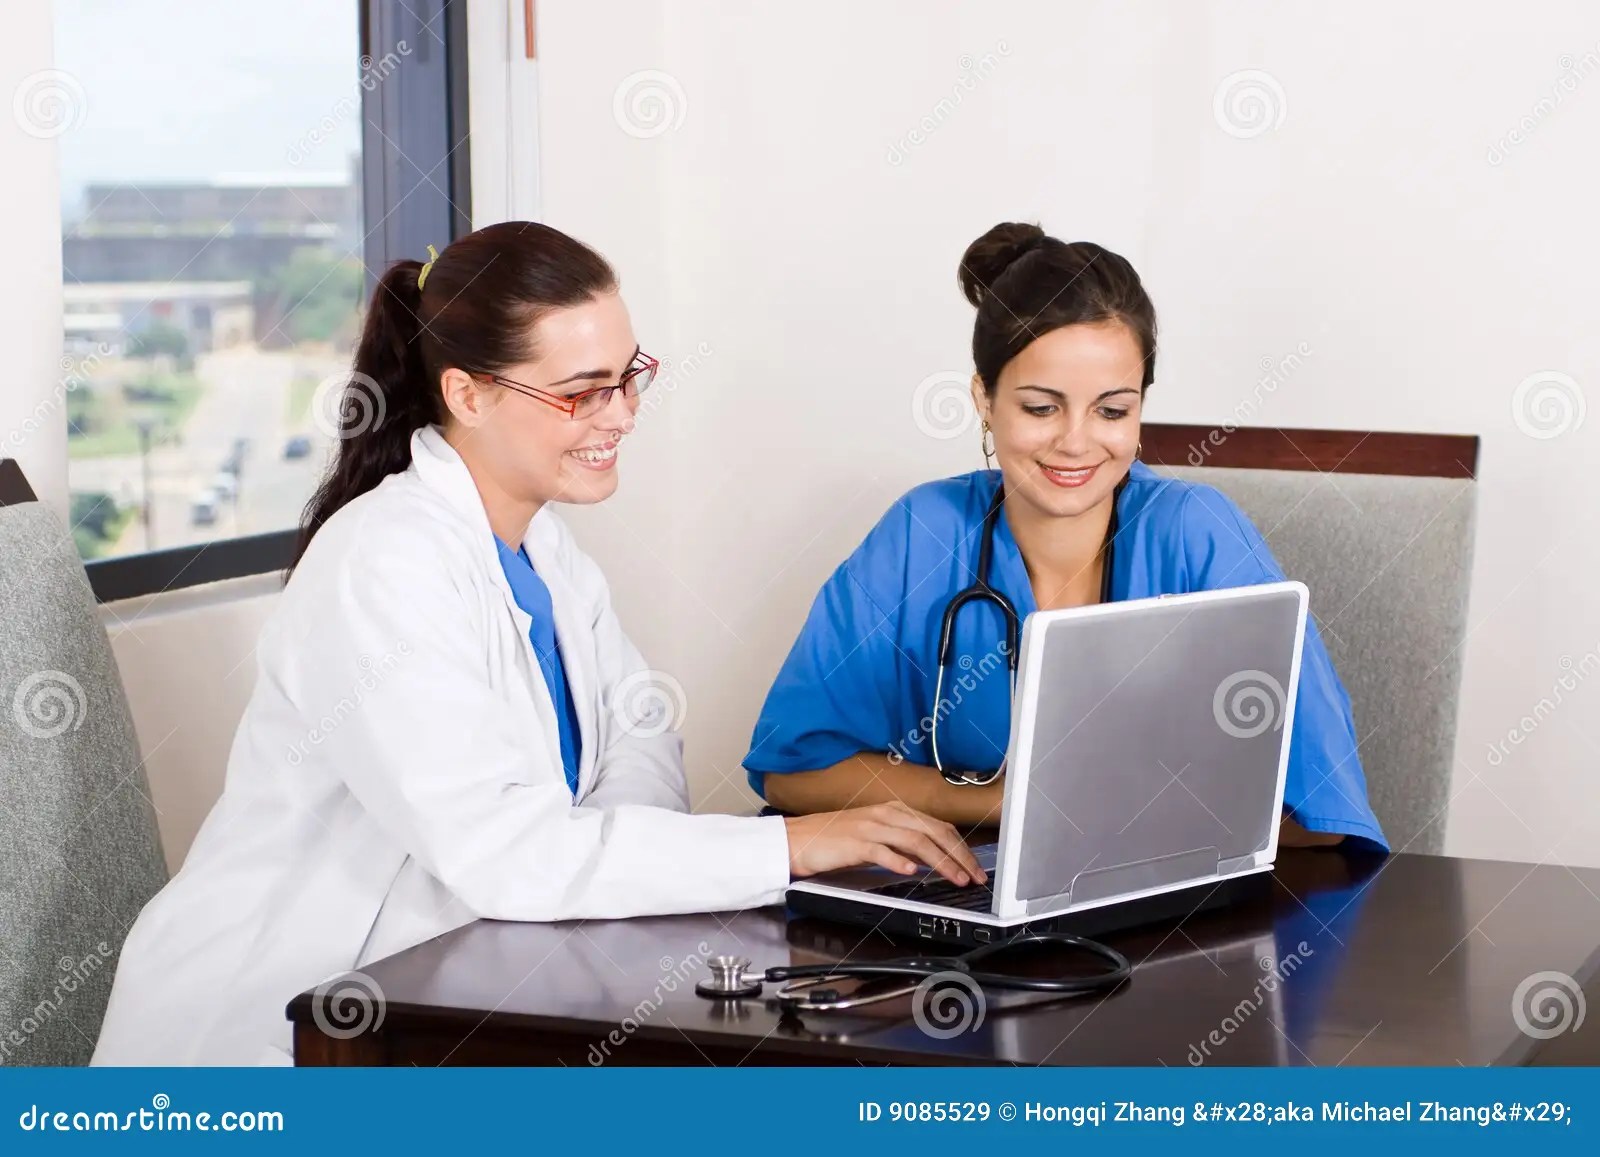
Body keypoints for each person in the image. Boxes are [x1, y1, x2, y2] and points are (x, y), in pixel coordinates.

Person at [91, 221, 982, 1066]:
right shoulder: (382, 562)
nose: (623, 414)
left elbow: (641, 741)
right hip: (283, 1027)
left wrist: (593, 852)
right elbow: (506, 853)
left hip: (475, 982)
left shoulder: (545, 550)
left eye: (629, 374)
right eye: (581, 391)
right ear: (467, 394)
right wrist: (789, 847)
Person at [742, 221, 1388, 853]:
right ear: (984, 398)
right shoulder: (922, 533)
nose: (1076, 440)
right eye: (1041, 407)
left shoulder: (1199, 536)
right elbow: (793, 769)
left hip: (1176, 929)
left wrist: (1110, 834)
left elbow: (1322, 813)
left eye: (1112, 409)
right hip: (967, 912)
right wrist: (1015, 805)